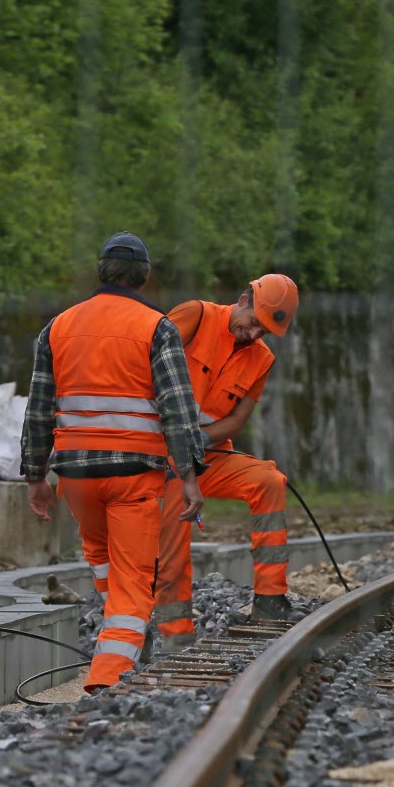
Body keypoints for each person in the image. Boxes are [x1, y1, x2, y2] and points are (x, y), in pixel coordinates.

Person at [20, 233, 208, 692]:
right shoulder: (156, 327)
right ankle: (108, 676)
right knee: (133, 581)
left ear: (100, 271)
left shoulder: (58, 326)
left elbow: (39, 406)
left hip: (76, 478)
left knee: (102, 559)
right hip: (132, 477)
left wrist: (34, 477)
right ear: (145, 276)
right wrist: (189, 476)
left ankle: (123, 636)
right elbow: (177, 409)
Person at [152, 274, 299, 649]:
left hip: (208, 454)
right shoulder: (195, 316)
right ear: (242, 300)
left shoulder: (262, 359)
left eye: (263, 332)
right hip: (160, 454)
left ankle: (270, 601)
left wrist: (199, 438)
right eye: (253, 324)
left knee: (269, 481)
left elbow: (236, 421)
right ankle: (175, 638)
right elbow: (146, 364)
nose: (253, 336)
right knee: (172, 544)